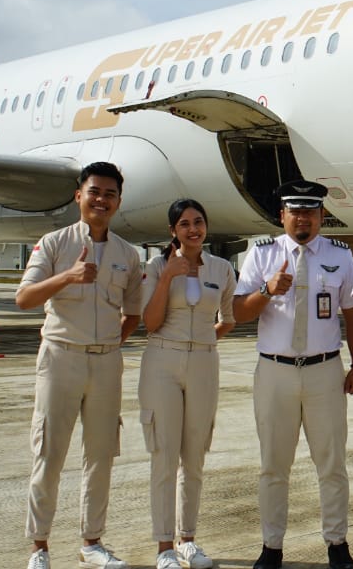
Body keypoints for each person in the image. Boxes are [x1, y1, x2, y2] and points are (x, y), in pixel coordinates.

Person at [15, 161, 143, 569]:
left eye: (110, 194)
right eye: (94, 192)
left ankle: (92, 542)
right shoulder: (54, 243)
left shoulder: (128, 254)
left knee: (101, 455)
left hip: (105, 362)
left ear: (118, 202)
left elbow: (134, 312)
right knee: (49, 452)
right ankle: (39, 546)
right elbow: (25, 298)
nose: (101, 200)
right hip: (61, 357)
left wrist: (107, 345)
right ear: (79, 196)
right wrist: (67, 277)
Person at [233, 180, 353, 569]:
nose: (303, 217)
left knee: (331, 463)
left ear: (322, 216)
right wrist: (267, 290)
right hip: (276, 372)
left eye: (311, 211)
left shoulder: (339, 256)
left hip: (325, 370)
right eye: (295, 211)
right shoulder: (262, 254)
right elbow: (240, 312)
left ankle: (337, 543)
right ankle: (271, 546)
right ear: (282, 216)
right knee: (274, 464)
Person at [140, 199, 236, 569]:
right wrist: (167, 276)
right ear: (173, 232)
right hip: (162, 359)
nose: (193, 229)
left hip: (203, 360)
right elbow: (149, 322)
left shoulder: (221, 268)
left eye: (198, 222)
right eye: (184, 224)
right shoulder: (157, 265)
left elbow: (227, 318)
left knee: (194, 455)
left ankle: (188, 540)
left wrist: (200, 342)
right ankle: (164, 545)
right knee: (163, 455)